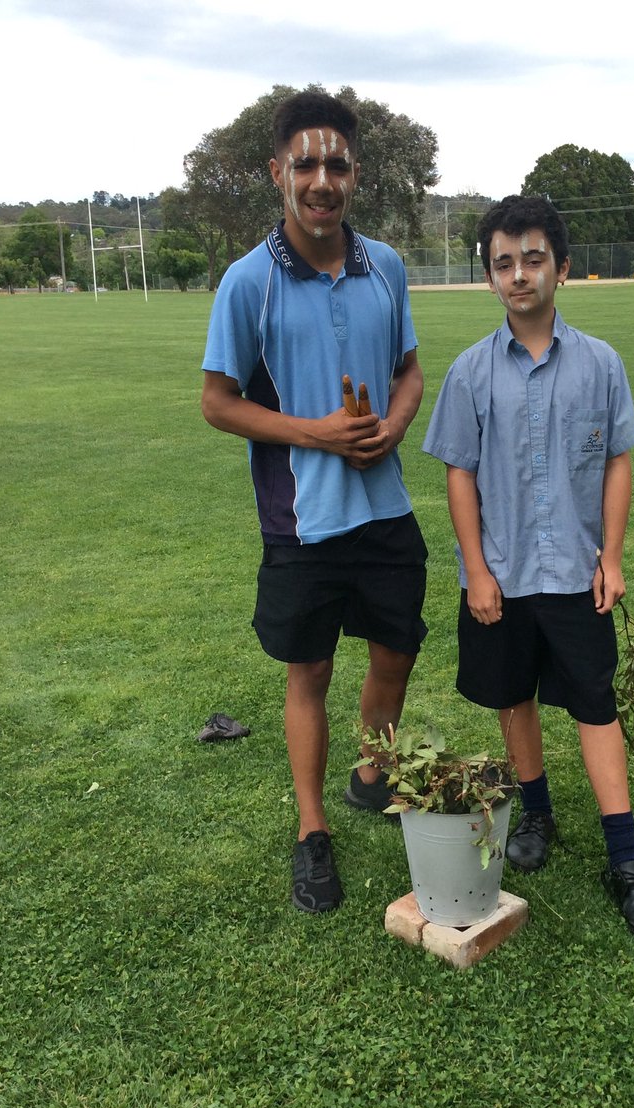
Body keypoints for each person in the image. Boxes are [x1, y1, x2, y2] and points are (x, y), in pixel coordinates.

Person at [422, 195, 634, 938]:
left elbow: (617, 462)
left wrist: (613, 558)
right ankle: (536, 813)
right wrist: (476, 570)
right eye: (503, 262)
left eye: (533, 259)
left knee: (596, 705)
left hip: (575, 574)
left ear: (561, 267)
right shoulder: (470, 372)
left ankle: (626, 858)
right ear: (490, 275)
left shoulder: (601, 364)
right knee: (514, 695)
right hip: (500, 574)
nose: (518, 275)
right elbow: (459, 474)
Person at [201, 90, 427, 915]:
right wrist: (317, 433)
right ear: (278, 172)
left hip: (386, 508)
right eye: (307, 164)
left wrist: (393, 427)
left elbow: (408, 372)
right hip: (302, 520)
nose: (322, 180)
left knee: (396, 651)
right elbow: (218, 401)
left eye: (337, 164)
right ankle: (312, 831)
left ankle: (374, 775)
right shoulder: (248, 282)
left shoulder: (388, 267)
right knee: (311, 671)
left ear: (355, 174)